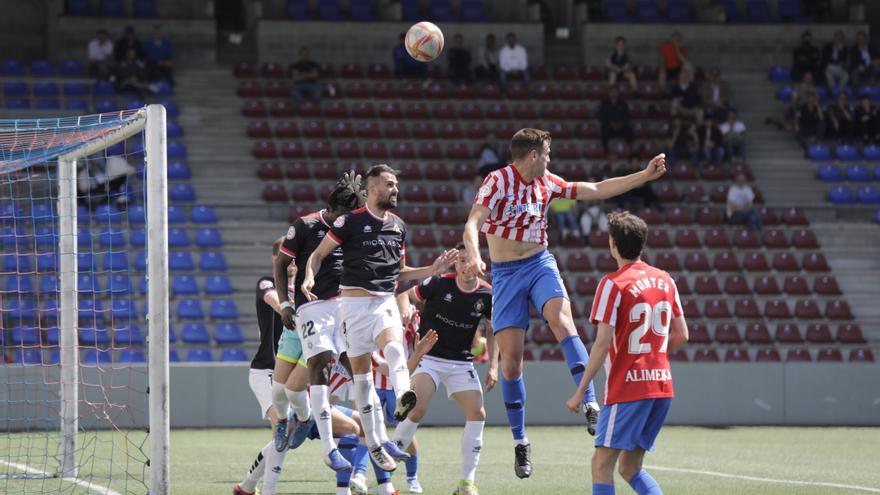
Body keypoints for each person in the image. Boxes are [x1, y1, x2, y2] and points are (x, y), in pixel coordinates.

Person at [462, 128, 667, 478]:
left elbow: (598, 189)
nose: (550, 159)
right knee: (511, 365)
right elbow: (472, 223)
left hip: (540, 263)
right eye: (548, 153)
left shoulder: (549, 183)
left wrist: (643, 176)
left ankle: (589, 401)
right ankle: (521, 441)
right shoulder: (497, 182)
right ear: (532, 156)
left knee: (563, 321)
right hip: (506, 273)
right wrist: (474, 254)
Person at [302, 164, 457, 472]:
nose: (395, 189)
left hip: (384, 301)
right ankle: (374, 442)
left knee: (395, 348)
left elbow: (401, 271)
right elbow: (318, 254)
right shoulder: (349, 221)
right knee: (363, 379)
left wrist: (432, 269)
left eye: (396, 183)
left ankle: (403, 395)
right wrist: (309, 276)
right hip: (352, 307)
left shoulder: (399, 225)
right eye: (389, 184)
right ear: (373, 189)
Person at [566, 211, 689, 495]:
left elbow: (601, 344)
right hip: (661, 386)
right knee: (629, 467)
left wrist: (580, 392)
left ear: (612, 244)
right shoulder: (666, 280)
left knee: (601, 464)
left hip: (627, 388)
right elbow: (682, 334)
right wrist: (654, 354)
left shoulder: (612, 284)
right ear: (642, 243)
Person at [273, 172, 364, 472]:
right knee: (298, 381)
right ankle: (307, 429)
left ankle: (373, 439)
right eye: (343, 216)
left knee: (350, 371)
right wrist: (285, 303)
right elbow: (281, 263)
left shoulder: (352, 226)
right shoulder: (305, 225)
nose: (345, 223)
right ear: (331, 208)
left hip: (338, 311)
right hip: (306, 311)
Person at [393, 243, 497, 495]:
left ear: (479, 264)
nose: (464, 266)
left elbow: (494, 330)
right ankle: (383, 477)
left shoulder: (487, 294)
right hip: (428, 358)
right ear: (455, 264)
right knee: (417, 410)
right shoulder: (438, 283)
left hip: (461, 363)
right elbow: (403, 295)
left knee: (478, 413)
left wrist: (493, 366)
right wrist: (406, 311)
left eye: (469, 260)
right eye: (460, 260)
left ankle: (466, 483)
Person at [233, 237, 305, 495]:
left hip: (294, 374)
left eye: (295, 257)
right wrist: (290, 309)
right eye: (287, 257)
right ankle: (268, 491)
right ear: (276, 259)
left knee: (289, 432)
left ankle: (247, 486)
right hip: (266, 371)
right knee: (281, 428)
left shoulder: (307, 288)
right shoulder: (266, 282)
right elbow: (275, 301)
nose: (292, 262)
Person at [599, 86, 635, 155]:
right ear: (609, 93)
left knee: (629, 129)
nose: (613, 94)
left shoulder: (623, 104)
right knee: (604, 129)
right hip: (609, 126)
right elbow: (602, 117)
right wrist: (611, 124)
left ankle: (630, 148)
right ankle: (606, 150)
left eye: (615, 92)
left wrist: (621, 124)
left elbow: (626, 116)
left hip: (621, 126)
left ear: (618, 93)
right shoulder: (605, 104)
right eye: (612, 92)